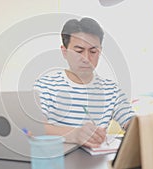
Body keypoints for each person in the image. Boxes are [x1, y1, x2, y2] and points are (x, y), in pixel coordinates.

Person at [34, 17, 134, 148]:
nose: (86, 58)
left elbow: (132, 123)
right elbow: (35, 127)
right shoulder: (45, 86)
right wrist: (75, 134)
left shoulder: (112, 91)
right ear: (64, 51)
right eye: (79, 51)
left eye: (93, 51)